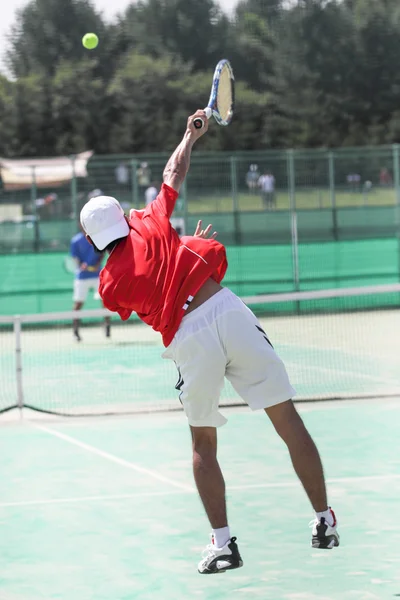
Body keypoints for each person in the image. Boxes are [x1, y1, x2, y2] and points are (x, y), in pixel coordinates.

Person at [80, 110, 340, 575]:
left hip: (189, 338)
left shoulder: (107, 285)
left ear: (91, 239)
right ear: (122, 217)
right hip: (226, 310)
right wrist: (188, 135)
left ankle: (223, 544)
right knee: (287, 419)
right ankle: (324, 521)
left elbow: (141, 297)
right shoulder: (149, 222)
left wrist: (178, 260)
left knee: (203, 442)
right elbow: (172, 172)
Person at [70, 229, 111, 342]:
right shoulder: (75, 240)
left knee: (105, 301)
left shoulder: (97, 238)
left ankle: (107, 326)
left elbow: (102, 253)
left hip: (97, 276)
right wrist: (81, 265)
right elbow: (74, 258)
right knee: (78, 303)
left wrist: (97, 264)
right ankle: (75, 331)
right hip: (81, 277)